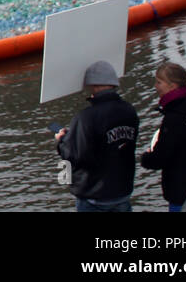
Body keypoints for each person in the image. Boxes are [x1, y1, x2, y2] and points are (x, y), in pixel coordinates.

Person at [55, 59, 139, 212]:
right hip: (122, 190)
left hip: (94, 195)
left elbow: (75, 155)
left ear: (93, 85)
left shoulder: (86, 117)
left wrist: (62, 141)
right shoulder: (129, 111)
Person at [139, 62, 186, 212]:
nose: (156, 86)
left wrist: (146, 157)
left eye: (159, 82)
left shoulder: (174, 118)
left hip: (182, 190)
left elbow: (161, 157)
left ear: (172, 86)